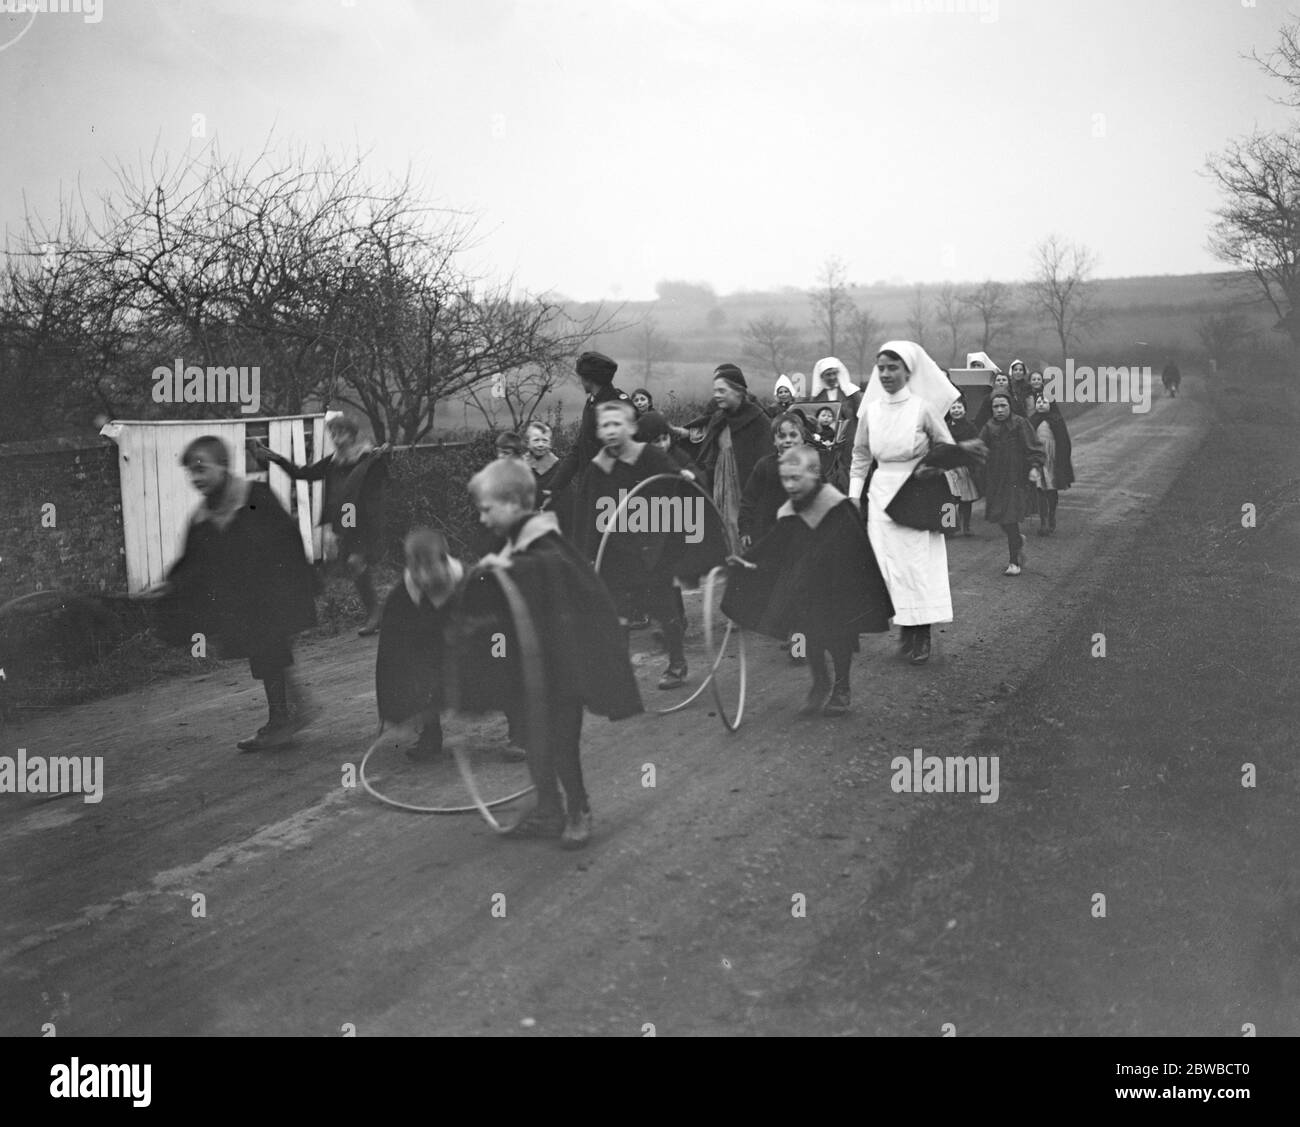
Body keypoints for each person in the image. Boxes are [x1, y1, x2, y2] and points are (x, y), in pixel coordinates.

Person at [451, 459, 642, 846]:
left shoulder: (546, 543)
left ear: (513, 503)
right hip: (525, 666)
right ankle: (548, 809)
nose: (483, 518)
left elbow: (547, 573)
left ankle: (578, 808)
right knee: (535, 742)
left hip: (560, 669)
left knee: (560, 743)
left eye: (487, 509)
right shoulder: (508, 544)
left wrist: (503, 567)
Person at [147, 435, 319, 751]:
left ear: (223, 465)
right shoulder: (202, 518)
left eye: (201, 468)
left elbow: (287, 538)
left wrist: (300, 583)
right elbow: (193, 561)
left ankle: (284, 718)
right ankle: (292, 713)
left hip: (272, 595)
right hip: (245, 604)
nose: (196, 478)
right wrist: (171, 583)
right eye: (191, 472)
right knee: (268, 656)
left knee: (270, 654)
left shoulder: (254, 496)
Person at [723, 445, 892, 715]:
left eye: (795, 478)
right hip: (807, 586)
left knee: (839, 637)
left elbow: (855, 549)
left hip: (838, 586)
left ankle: (842, 687)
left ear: (813, 474)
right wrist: (747, 559)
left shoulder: (835, 504)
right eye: (785, 479)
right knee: (808, 634)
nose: (789, 485)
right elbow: (776, 540)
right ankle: (820, 682)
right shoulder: (791, 508)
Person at [574, 400, 724, 691]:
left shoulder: (650, 456)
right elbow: (588, 514)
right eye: (606, 425)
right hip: (616, 549)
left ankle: (677, 664)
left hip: (652, 546)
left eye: (617, 424)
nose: (611, 430)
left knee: (663, 604)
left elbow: (675, 483)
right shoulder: (597, 469)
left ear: (631, 428)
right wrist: (587, 554)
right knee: (616, 609)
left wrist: (686, 478)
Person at [849, 341, 968, 666]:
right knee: (888, 565)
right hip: (881, 493)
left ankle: (922, 633)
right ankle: (905, 625)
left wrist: (929, 467)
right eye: (881, 368)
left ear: (907, 372)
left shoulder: (922, 408)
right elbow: (860, 454)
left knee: (916, 564)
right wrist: (853, 496)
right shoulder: (871, 411)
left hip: (916, 493)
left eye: (893, 367)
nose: (886, 374)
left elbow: (946, 445)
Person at [250, 412, 389, 637]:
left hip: (362, 523)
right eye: (332, 432)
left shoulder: (367, 459)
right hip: (343, 523)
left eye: (340, 432)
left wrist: (373, 529)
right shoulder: (334, 462)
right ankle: (373, 612)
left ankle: (374, 614)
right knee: (350, 566)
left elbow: (377, 494)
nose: (335, 436)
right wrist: (276, 458)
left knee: (355, 562)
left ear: (352, 435)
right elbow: (303, 473)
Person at [374, 528, 464, 761]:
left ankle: (519, 730)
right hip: (432, 654)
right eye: (416, 569)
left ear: (444, 560)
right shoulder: (401, 597)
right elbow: (392, 655)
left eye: (429, 567)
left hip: (470, 649)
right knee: (417, 670)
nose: (422, 577)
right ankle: (430, 733)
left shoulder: (472, 582)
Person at [689, 363, 771, 550]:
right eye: (715, 390)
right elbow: (709, 458)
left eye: (721, 390)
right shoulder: (719, 419)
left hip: (744, 495)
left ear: (738, 391)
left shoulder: (759, 421)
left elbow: (766, 465)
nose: (716, 395)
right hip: (719, 491)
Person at [978, 390, 1045, 575]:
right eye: (995, 406)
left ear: (1010, 406)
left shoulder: (1020, 423)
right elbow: (980, 448)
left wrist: (1034, 467)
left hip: (1016, 478)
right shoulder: (989, 427)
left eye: (1003, 406)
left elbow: (1034, 447)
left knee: (1010, 517)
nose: (999, 410)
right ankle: (1018, 540)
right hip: (995, 479)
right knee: (999, 517)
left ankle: (1013, 562)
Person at [547, 351, 633, 494]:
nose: (580, 381)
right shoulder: (592, 402)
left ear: (589, 379)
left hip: (613, 494)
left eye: (582, 377)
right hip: (590, 489)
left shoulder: (619, 406)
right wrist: (554, 487)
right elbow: (579, 449)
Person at [738, 412, 808, 550]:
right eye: (782, 436)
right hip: (767, 531)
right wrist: (745, 528)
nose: (788, 440)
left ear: (803, 439)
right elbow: (749, 499)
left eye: (793, 435)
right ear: (774, 441)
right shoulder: (764, 465)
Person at [1028, 393, 1074, 534]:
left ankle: (1051, 515)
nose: (1041, 404)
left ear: (1051, 405)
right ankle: (1044, 521)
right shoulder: (1032, 420)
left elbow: (1064, 441)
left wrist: (1062, 459)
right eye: (1039, 402)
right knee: (1040, 488)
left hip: (1052, 458)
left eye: (1045, 402)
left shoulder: (1056, 420)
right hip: (1038, 458)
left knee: (1051, 488)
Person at [943, 396, 982, 537]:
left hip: (964, 467)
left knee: (966, 498)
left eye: (959, 407)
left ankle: (966, 526)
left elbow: (976, 444)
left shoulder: (971, 427)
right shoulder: (944, 427)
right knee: (949, 498)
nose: (956, 410)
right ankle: (948, 527)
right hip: (949, 467)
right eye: (953, 407)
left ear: (965, 410)